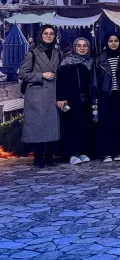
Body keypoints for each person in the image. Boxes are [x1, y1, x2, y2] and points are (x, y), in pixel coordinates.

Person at [19, 25, 61, 168]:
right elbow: (22, 74)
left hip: (52, 93)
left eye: (51, 34)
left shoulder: (58, 53)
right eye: (46, 33)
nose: (49, 36)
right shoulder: (32, 54)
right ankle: (38, 156)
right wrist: (41, 75)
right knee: (37, 126)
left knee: (50, 125)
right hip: (37, 95)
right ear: (40, 35)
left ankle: (49, 155)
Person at [56, 37, 95, 165]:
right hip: (69, 100)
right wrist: (60, 98)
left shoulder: (90, 62)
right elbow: (60, 82)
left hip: (85, 100)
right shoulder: (66, 62)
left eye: (85, 45)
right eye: (79, 45)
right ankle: (71, 154)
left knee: (84, 126)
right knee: (70, 126)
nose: (82, 48)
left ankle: (82, 151)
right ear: (74, 47)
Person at [94, 32, 120, 163]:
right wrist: (95, 98)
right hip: (105, 95)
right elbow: (95, 80)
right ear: (106, 43)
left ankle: (118, 151)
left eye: (116, 41)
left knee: (119, 124)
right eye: (110, 41)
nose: (113, 43)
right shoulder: (99, 59)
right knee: (105, 125)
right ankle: (106, 153)